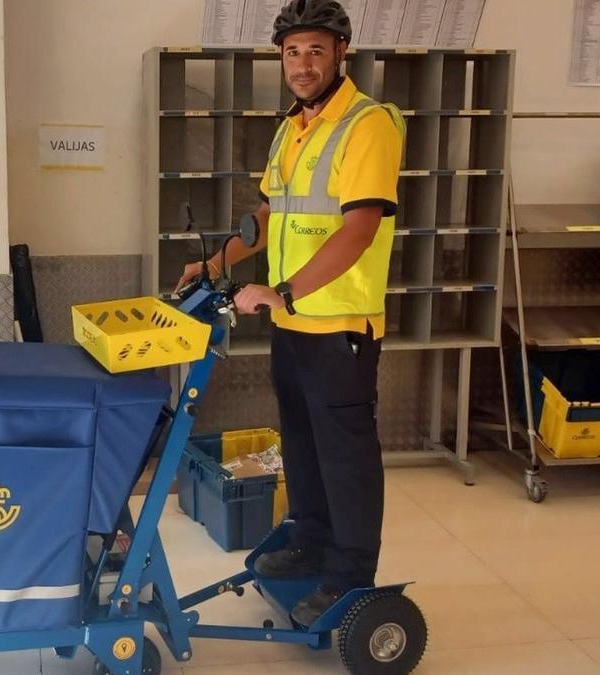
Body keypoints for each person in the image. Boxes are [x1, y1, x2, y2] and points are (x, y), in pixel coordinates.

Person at [175, 0, 405, 625]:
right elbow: (270, 215)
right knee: (301, 444)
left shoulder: (368, 124)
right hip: (294, 327)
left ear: (340, 54)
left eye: (315, 51)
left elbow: (359, 227)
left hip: (339, 328)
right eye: (292, 52)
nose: (302, 65)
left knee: (346, 457)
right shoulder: (293, 127)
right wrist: (218, 263)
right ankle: (308, 536)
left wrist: (286, 293)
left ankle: (352, 574)